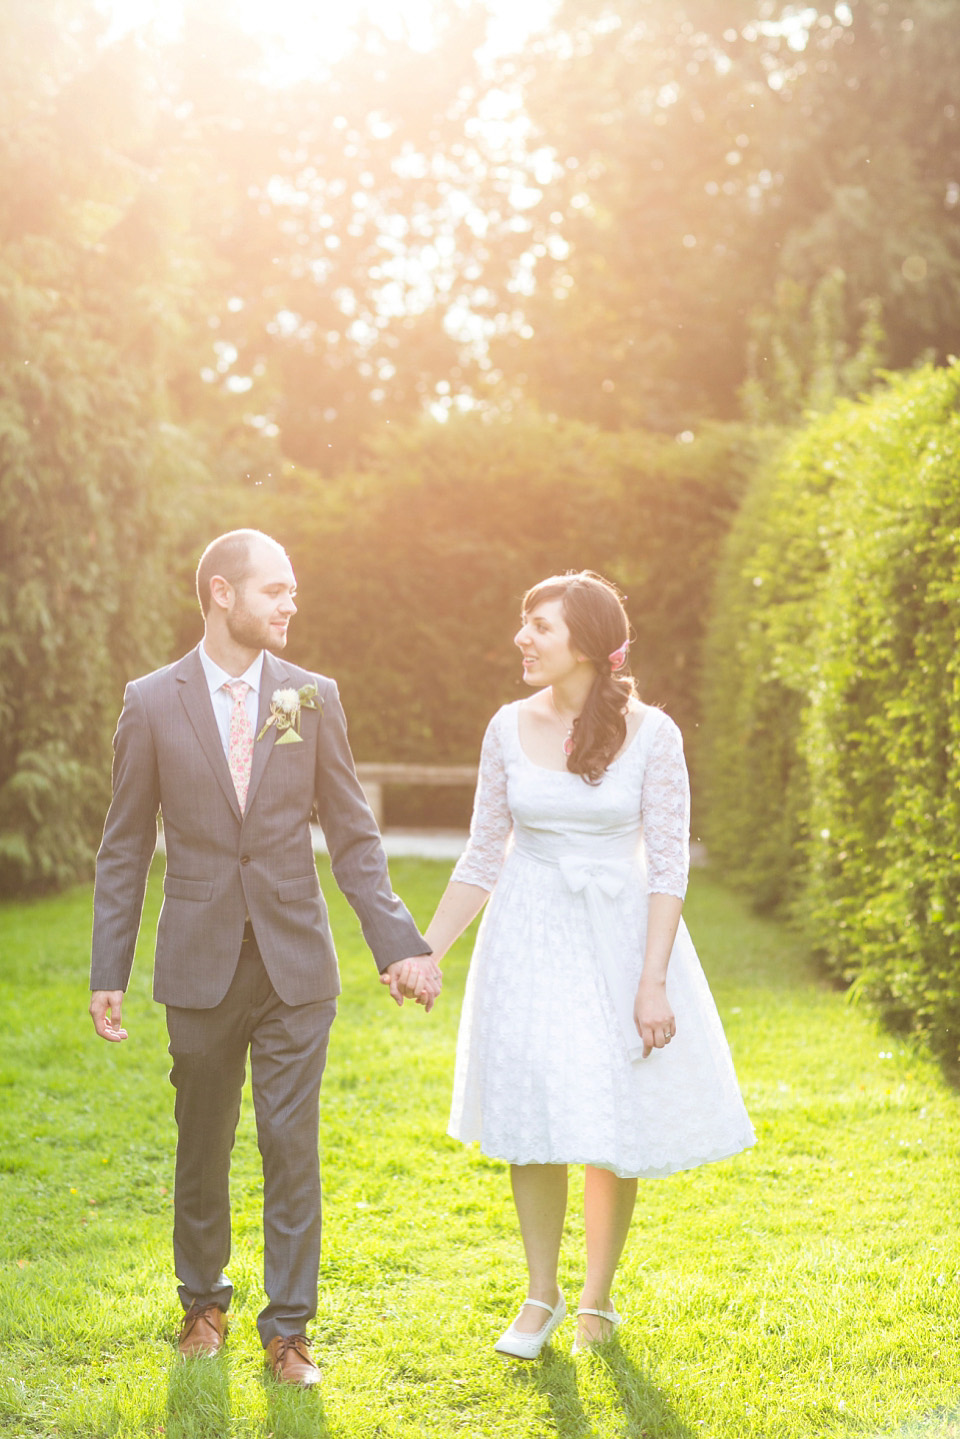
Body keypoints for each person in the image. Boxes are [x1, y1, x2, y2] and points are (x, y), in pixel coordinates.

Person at [89, 529, 440, 1387]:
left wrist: (398, 943)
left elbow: (354, 837)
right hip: (199, 960)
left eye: (293, 591)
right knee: (202, 1139)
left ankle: (289, 1330)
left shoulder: (312, 698)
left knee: (291, 1142)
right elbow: (126, 844)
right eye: (275, 589)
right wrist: (110, 968)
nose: (291, 604)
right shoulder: (151, 699)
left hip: (296, 964)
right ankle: (200, 1304)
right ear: (220, 593)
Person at [405, 571, 754, 1359]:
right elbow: (481, 851)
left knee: (606, 1107)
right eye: (523, 622)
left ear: (590, 646)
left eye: (542, 626)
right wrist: (427, 950)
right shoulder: (504, 727)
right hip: (527, 931)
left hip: (618, 933)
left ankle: (597, 1292)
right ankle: (541, 1293)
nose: (522, 638)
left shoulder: (654, 734)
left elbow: (668, 865)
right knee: (534, 1110)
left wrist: (652, 979)